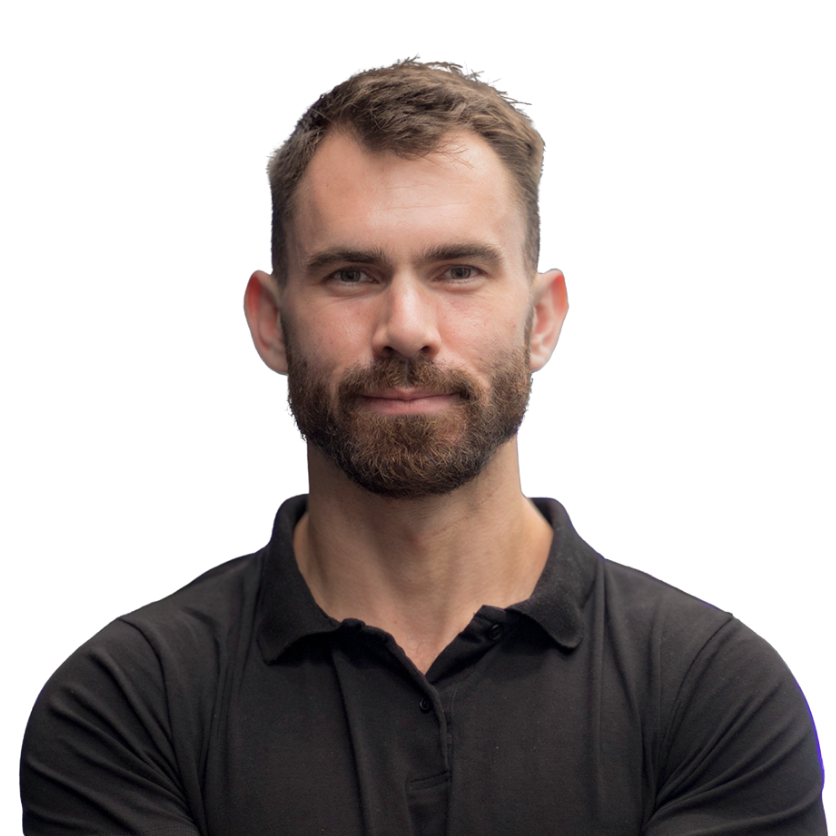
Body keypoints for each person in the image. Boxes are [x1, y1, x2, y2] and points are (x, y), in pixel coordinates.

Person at [20, 57, 827, 835]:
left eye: (459, 271)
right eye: (351, 275)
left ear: (542, 320)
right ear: (269, 324)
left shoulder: (715, 693)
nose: (406, 328)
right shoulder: (129, 702)